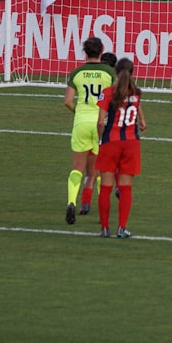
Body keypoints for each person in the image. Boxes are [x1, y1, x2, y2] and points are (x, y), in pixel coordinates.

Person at [62, 37, 115, 224]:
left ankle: (71, 202)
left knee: (77, 168)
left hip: (81, 122)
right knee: (99, 169)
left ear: (85, 52)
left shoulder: (77, 72)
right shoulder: (109, 72)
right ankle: (103, 210)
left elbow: (67, 101)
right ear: (101, 51)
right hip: (101, 122)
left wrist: (79, 113)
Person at [95, 57, 146, 238]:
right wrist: (142, 120)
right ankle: (121, 228)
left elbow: (101, 121)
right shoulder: (137, 93)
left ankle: (105, 228)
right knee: (125, 188)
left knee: (106, 188)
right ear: (132, 73)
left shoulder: (108, 92)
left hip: (111, 142)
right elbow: (136, 106)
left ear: (115, 72)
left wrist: (101, 140)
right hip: (131, 143)